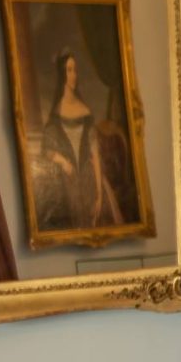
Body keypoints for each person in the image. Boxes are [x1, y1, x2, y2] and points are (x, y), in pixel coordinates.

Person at [26, 51, 141, 237]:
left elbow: (94, 153)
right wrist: (63, 161)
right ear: (62, 74)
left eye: (75, 70)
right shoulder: (55, 115)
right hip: (68, 181)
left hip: (90, 179)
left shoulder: (85, 110)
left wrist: (100, 194)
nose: (74, 75)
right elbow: (46, 149)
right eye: (69, 70)